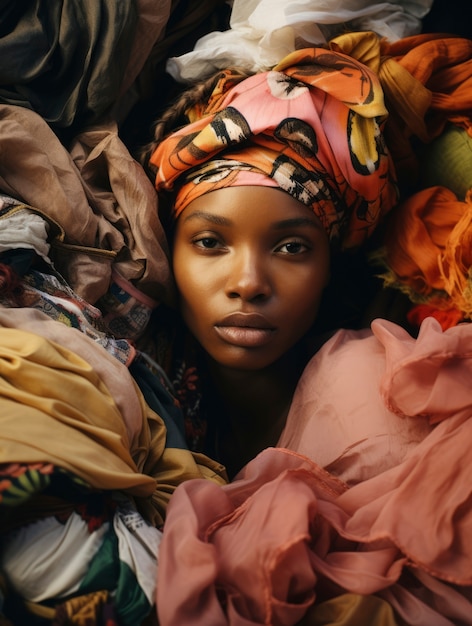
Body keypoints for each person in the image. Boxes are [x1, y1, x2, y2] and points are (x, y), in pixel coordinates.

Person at [142, 45, 399, 478]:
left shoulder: (374, 404)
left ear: (329, 266)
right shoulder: (140, 404)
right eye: (209, 242)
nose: (248, 283)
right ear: (169, 251)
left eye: (292, 247)